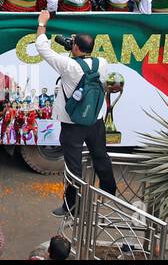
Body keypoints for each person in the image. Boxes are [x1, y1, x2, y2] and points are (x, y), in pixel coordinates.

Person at [35, 11, 116, 215]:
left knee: (73, 166)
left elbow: (42, 47)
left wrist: (42, 23)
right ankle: (109, 192)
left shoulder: (69, 65)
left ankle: (71, 206)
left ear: (76, 47)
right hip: (95, 121)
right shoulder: (102, 63)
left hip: (72, 124)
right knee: (101, 156)